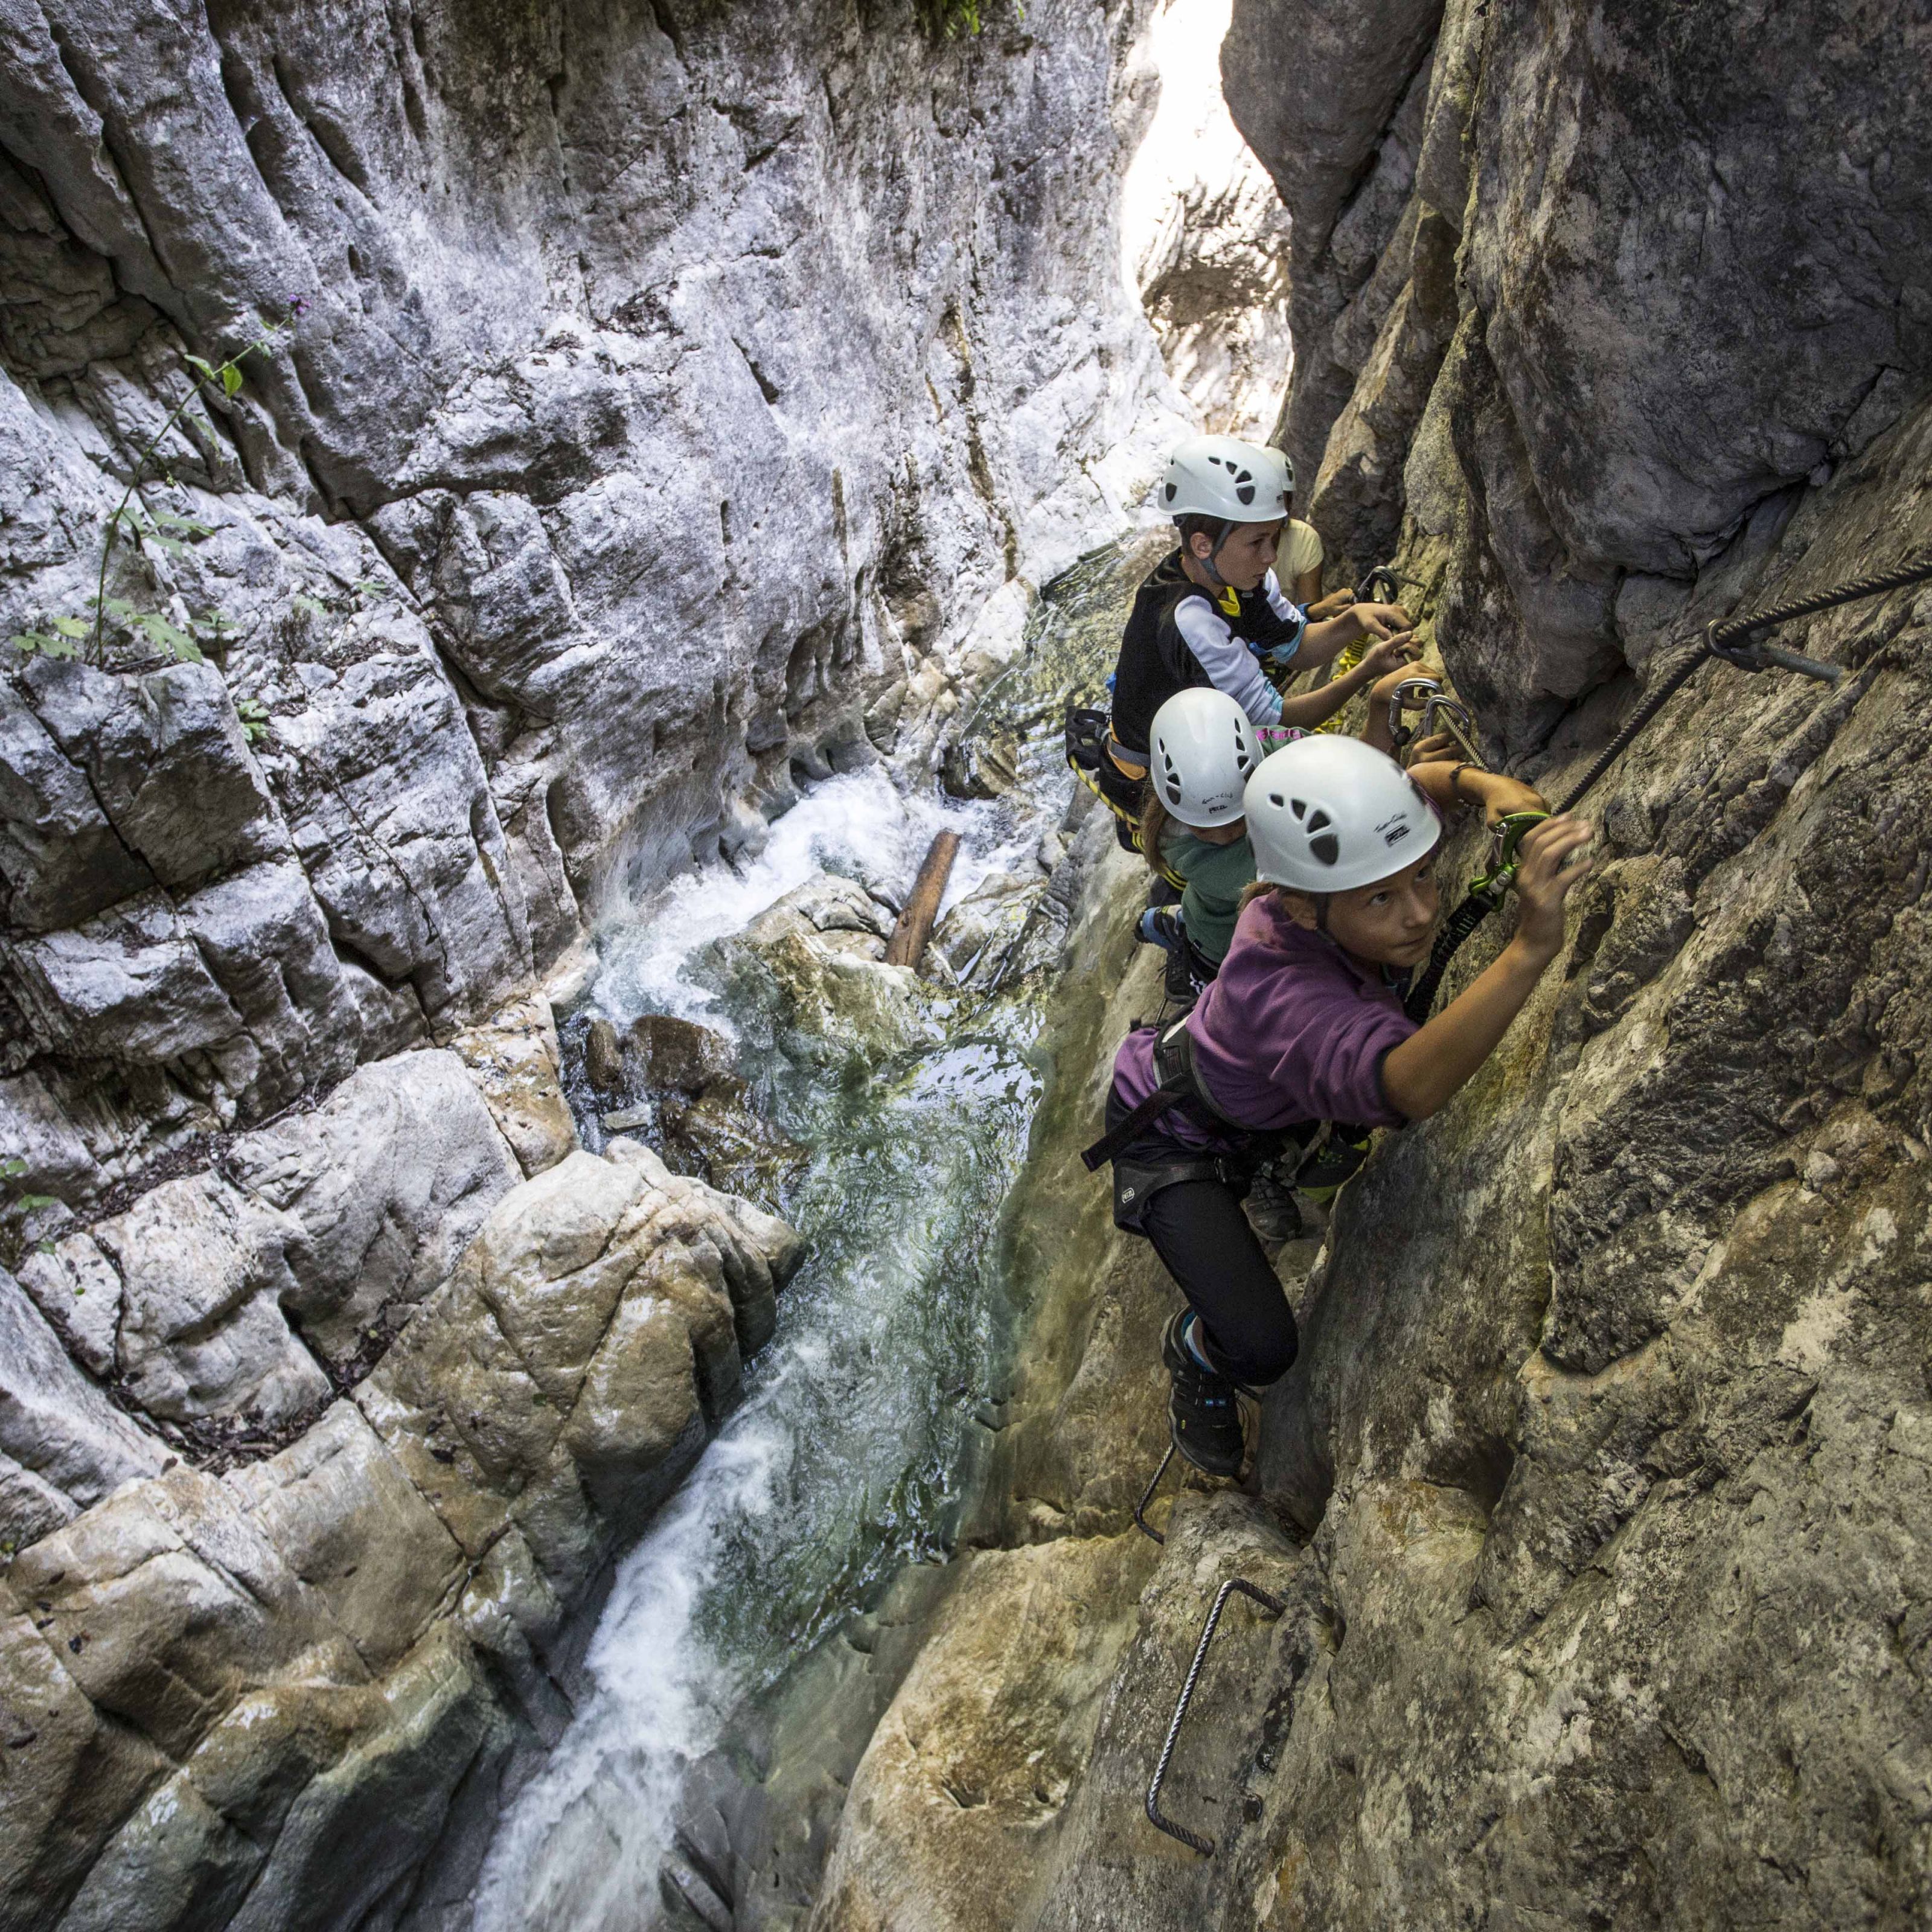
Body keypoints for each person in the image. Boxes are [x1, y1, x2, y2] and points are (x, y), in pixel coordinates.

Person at [1091, 734, 1593, 1477]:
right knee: (1264, 1346)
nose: (1420, 913)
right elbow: (1407, 1085)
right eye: (1382, 897)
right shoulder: (1281, 990)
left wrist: (1481, 786)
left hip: (1240, 1108)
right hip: (1169, 1136)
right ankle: (1195, 1349)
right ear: (1296, 902)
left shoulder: (1329, 872)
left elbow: (1415, 785)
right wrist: (1527, 948)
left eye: (1422, 876)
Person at [1093, 434, 1416, 839]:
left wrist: (1354, 620)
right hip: (1168, 789)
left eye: (1273, 538)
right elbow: (1276, 720)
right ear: (1203, 545)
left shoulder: (1239, 577)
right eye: (1257, 542)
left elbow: (1294, 645)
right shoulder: (1188, 619)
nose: (1270, 557)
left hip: (1200, 753)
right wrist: (1366, 671)